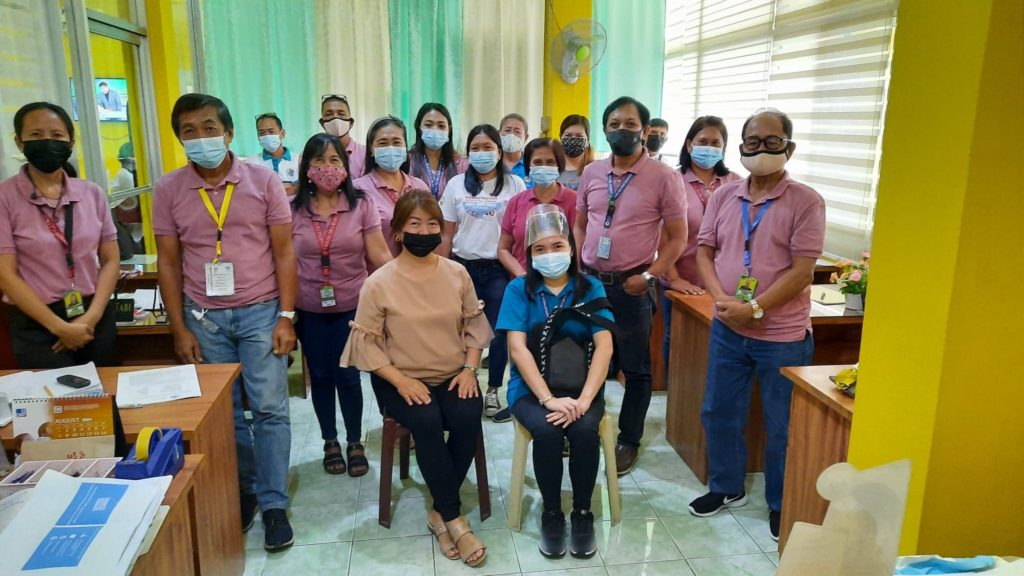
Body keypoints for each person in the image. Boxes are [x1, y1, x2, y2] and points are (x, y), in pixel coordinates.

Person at [153, 93, 297, 552]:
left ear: (229, 133)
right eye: (189, 131)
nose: (201, 138)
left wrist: (287, 317)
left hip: (261, 311)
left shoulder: (262, 180)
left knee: (270, 408)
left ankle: (274, 505)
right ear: (180, 138)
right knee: (225, 414)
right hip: (203, 318)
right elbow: (169, 264)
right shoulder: (168, 189)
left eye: (209, 128)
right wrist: (179, 328)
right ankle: (246, 492)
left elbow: (284, 252)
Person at [688, 109, 824, 543]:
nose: (760, 148)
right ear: (740, 146)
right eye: (752, 140)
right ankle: (727, 487)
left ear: (789, 146)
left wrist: (757, 307)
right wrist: (721, 300)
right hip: (729, 328)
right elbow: (705, 252)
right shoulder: (726, 196)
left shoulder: (806, 201)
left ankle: (780, 504)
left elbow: (803, 272)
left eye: (771, 140)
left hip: (781, 336)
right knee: (719, 411)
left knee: (781, 425)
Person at [341, 190, 492, 567]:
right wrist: (401, 381)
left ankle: (439, 513)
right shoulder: (379, 282)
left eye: (432, 225)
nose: (424, 231)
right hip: (398, 377)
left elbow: (474, 328)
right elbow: (368, 347)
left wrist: (471, 368)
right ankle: (454, 518)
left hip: (453, 372)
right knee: (426, 421)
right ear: (396, 232)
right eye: (414, 224)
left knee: (466, 416)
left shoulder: (457, 273)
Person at [574, 96, 687, 476]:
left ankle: (628, 439)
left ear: (644, 129)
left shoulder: (664, 177)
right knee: (586, 360)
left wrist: (650, 277)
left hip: (632, 286)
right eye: (614, 123)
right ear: (604, 129)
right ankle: (584, 428)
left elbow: (677, 237)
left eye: (630, 123)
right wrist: (576, 265)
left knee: (636, 368)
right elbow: (579, 222)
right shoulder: (592, 172)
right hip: (589, 284)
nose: (622, 129)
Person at [496, 204, 615, 559]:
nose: (550, 255)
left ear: (572, 247)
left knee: (582, 432)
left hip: (583, 388)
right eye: (539, 249)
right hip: (532, 391)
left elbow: (605, 347)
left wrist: (583, 401)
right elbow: (517, 350)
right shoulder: (519, 290)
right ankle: (551, 513)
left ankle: (582, 514)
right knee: (547, 432)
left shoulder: (590, 286)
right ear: (529, 254)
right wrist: (548, 399)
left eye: (558, 245)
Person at [291, 133, 392, 477]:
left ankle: (353, 441)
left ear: (346, 168)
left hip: (353, 307)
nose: (327, 168)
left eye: (334, 161)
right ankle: (329, 440)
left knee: (348, 377)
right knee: (320, 377)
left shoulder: (361, 204)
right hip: (308, 308)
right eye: (318, 161)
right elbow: (284, 262)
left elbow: (378, 254)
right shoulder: (292, 209)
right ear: (306, 168)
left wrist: (404, 285)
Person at [0, 102, 120, 369]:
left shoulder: (91, 193)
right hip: (37, 322)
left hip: (93, 313)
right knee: (53, 406)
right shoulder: (4, 197)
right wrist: (59, 327)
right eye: (35, 135)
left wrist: (89, 319)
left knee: (102, 402)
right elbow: (5, 274)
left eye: (56, 135)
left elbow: (111, 259)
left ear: (71, 141)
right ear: (19, 143)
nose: (47, 142)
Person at [440, 124, 526, 423]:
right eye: (475, 148)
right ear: (468, 152)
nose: (482, 153)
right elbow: (447, 234)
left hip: (499, 269)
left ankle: (492, 388)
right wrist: (439, 270)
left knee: (500, 331)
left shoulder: (515, 185)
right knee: (459, 328)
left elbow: (521, 232)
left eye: (488, 147)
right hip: (463, 267)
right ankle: (463, 382)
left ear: (499, 151)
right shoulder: (455, 186)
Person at [660, 116, 741, 382]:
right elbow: (662, 236)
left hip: (725, 286)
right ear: (689, 145)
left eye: (715, 142)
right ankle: (679, 404)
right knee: (682, 346)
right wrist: (675, 279)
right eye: (702, 141)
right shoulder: (672, 181)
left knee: (721, 350)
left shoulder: (736, 183)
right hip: (684, 282)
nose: (709, 147)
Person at [498, 138, 577, 275]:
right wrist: (521, 276)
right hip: (523, 283)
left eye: (550, 162)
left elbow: (579, 245)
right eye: (538, 162)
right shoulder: (516, 202)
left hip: (565, 283)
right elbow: (503, 249)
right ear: (529, 167)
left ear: (559, 165)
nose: (544, 167)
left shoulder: (575, 201)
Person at [353, 116, 428, 257]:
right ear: (371, 149)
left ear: (405, 147)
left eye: (396, 142)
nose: (390, 148)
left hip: (417, 270)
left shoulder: (420, 186)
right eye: (383, 143)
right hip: (377, 274)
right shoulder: (358, 189)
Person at [407, 103, 468, 200]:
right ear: (419, 128)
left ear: (449, 130)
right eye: (428, 125)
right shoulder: (407, 161)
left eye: (441, 126)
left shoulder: (462, 164)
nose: (435, 130)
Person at [248, 113, 298, 195]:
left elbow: (302, 188)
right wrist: (288, 189)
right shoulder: (251, 163)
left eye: (271, 131)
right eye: (262, 133)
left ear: (282, 134)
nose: (267, 136)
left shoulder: (298, 159)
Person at [319, 94, 366, 179]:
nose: (335, 117)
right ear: (322, 123)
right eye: (329, 114)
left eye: (341, 114)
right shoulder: (312, 154)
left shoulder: (365, 154)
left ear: (351, 123)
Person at [557, 115, 593, 191]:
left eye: (579, 136)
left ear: (588, 140)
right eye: (568, 135)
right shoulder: (552, 170)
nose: (573, 140)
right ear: (560, 138)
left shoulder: (595, 170)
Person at [499, 113, 530, 184]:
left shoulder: (531, 165)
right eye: (507, 130)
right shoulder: (492, 163)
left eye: (517, 132)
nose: (511, 135)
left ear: (526, 137)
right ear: (499, 134)